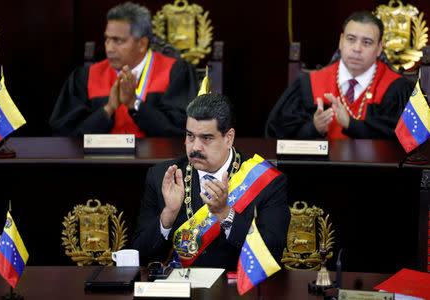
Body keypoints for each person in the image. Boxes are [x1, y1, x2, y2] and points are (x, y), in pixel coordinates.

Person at [131, 93, 290, 270]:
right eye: (190, 136)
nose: (195, 147)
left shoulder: (265, 181)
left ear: (228, 138)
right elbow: (139, 255)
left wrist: (225, 215)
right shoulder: (162, 176)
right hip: (179, 290)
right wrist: (167, 217)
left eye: (206, 138)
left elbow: (272, 253)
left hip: (235, 290)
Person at [50, 2, 198, 137]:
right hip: (98, 164)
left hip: (158, 164)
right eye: (107, 39)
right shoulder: (85, 76)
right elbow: (65, 135)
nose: (109, 48)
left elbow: (181, 132)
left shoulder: (176, 72)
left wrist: (135, 104)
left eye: (118, 40)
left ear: (141, 44)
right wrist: (108, 109)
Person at [265, 12, 413, 139]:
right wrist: (313, 128)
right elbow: (276, 135)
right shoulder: (309, 84)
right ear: (341, 41)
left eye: (366, 42)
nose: (357, 48)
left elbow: (406, 141)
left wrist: (351, 125)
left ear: (379, 48)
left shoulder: (397, 88)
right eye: (351, 39)